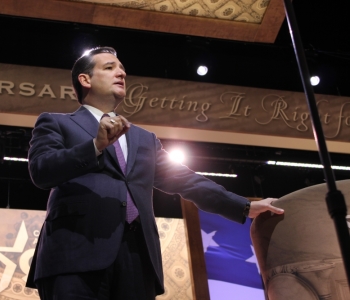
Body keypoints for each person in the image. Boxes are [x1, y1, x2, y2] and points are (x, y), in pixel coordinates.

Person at [26, 46, 284, 300]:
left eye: (123, 69)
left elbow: (185, 180)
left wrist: (244, 207)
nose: (121, 73)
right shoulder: (56, 122)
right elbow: (41, 170)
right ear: (85, 79)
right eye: (109, 67)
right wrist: (94, 146)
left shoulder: (144, 138)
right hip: (74, 255)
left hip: (138, 258)